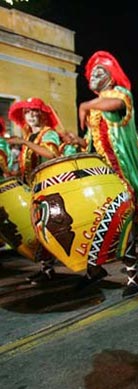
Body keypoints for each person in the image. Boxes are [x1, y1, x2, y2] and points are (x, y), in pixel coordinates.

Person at [62, 50, 138, 297]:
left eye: (101, 71)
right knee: (91, 220)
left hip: (121, 175)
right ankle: (94, 270)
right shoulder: (96, 109)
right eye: (93, 72)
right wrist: (75, 140)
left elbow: (116, 105)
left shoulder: (120, 94)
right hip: (100, 176)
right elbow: (91, 142)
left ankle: (132, 277)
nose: (94, 75)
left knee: (125, 223)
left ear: (111, 78)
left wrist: (85, 104)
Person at [7, 97, 64, 284]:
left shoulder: (48, 133)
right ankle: (47, 269)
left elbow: (51, 154)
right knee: (39, 229)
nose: (31, 115)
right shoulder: (30, 136)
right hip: (33, 190)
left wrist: (24, 143)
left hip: (49, 188)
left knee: (50, 228)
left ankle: (89, 266)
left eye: (35, 111)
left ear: (43, 114)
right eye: (27, 112)